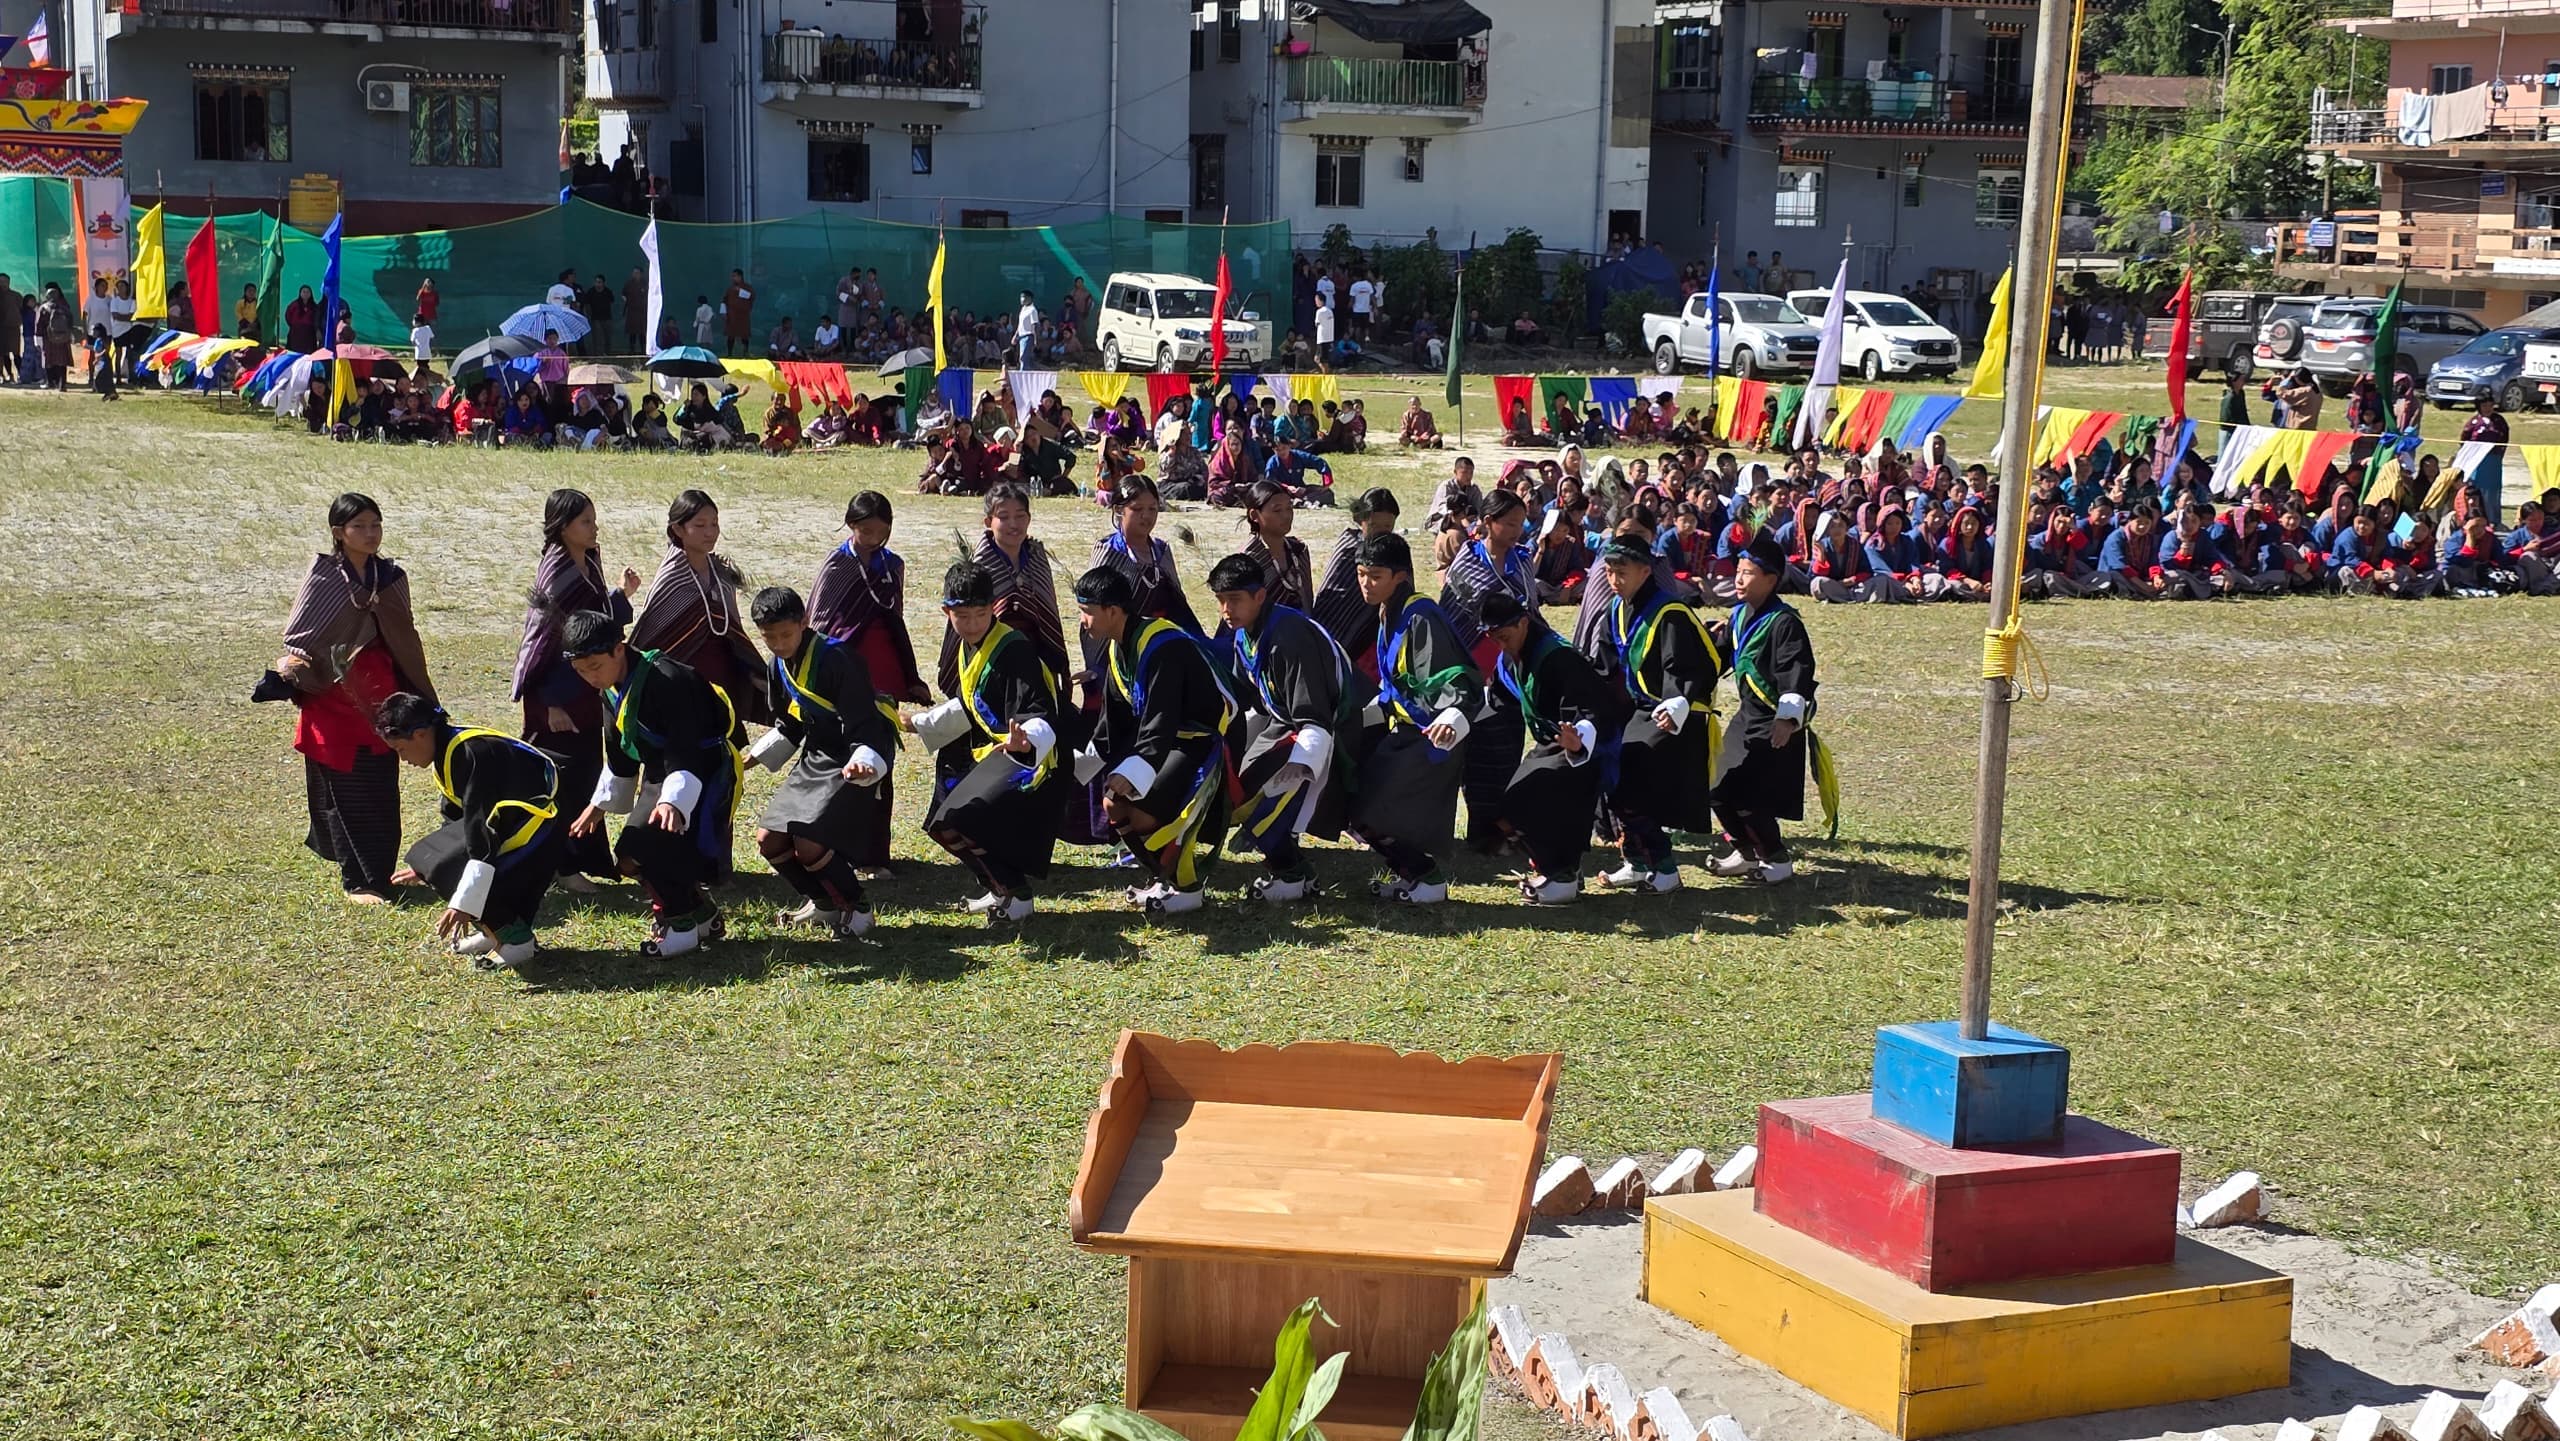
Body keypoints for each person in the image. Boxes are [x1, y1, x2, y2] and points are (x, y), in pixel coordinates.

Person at [272, 493, 438, 902]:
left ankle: (377, 873)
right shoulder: (325, 577)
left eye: (375, 525)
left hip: (382, 702)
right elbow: (302, 635)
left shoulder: (390, 578)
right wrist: (292, 666)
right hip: (335, 704)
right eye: (359, 526)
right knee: (347, 796)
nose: (370, 534)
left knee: (382, 793)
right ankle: (358, 881)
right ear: (338, 533)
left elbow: (404, 636)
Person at [561, 610, 748, 957]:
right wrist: (598, 805)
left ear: (619, 648)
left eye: (595, 666)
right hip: (663, 774)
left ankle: (681, 927)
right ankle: (702, 915)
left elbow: (686, 746)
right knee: (632, 858)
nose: (590, 677)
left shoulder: (668, 679)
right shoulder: (612, 688)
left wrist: (672, 801)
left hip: (703, 772)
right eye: (581, 671)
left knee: (654, 850)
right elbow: (620, 752)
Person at [911, 562, 1070, 922]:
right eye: (962, 616)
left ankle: (1017, 895)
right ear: (946, 612)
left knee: (960, 820)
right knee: (942, 824)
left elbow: (1039, 708)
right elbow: (971, 703)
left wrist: (1026, 740)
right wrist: (920, 724)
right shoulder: (969, 644)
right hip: (989, 748)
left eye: (980, 615)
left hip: (1027, 757)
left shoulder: (1013, 648)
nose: (971, 624)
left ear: (994, 607)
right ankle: (997, 887)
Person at [1076, 566, 1233, 914]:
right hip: (1165, 742)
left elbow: (1162, 718)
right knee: (1113, 804)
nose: (1083, 621)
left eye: (1088, 611)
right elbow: (1113, 721)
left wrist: (1134, 772)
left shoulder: (1163, 644)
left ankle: (1187, 886)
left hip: (1197, 743)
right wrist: (1077, 767)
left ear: (1113, 611)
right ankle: (1164, 879)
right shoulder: (1119, 649)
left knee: (1139, 813)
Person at [746, 586, 897, 939]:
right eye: (770, 637)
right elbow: (790, 723)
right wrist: (751, 757)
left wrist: (863, 763)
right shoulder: (776, 665)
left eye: (786, 634)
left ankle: (856, 906)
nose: (780, 644)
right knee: (769, 840)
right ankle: (824, 903)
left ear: (804, 623)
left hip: (852, 755)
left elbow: (863, 722)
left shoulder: (838, 658)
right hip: (817, 754)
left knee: (809, 841)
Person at [1212, 552, 1364, 904]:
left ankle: (1291, 876)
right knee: (1241, 789)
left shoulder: (1287, 636)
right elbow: (1247, 691)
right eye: (1221, 600)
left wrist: (1301, 762)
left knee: (1262, 796)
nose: (1226, 610)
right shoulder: (1248, 634)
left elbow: (1313, 711)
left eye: (1234, 599)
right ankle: (1296, 872)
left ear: (1260, 596)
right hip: (1287, 724)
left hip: (1327, 730)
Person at [513, 489, 643, 888]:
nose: (594, 526)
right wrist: (547, 701)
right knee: (562, 780)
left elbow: (594, 620)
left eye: (593, 518)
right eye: (585, 521)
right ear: (563, 527)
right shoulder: (557, 573)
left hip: (588, 687)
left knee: (586, 770)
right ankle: (561, 866)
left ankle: (580, 860)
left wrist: (621, 596)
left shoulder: (586, 561)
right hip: (558, 695)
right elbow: (541, 642)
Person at [378, 693, 562, 972]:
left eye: (401, 750)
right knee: (429, 859)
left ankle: (517, 942)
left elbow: (480, 830)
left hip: (537, 829)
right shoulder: (447, 749)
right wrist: (427, 866)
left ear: (420, 735)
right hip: (508, 823)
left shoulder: (471, 753)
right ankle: (494, 934)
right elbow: (454, 818)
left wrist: (464, 900)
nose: (402, 760)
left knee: (448, 867)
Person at [1349, 533, 1482, 904]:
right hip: (1406, 730)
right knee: (1357, 806)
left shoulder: (1420, 615)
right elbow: (1400, 681)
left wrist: (1454, 713)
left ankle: (1427, 879)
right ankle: (1416, 877)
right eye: (1361, 573)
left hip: (1433, 735)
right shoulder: (1389, 611)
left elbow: (1456, 679)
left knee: (1372, 812)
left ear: (1401, 576)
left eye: (1375, 575)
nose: (1365, 583)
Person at [1594, 536, 1726, 891]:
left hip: (1673, 712)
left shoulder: (1670, 613)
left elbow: (1690, 669)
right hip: (1636, 710)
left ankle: (1664, 867)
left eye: (1621, 572)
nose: (1614, 580)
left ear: (1645, 570)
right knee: (1605, 761)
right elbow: (1605, 669)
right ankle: (1636, 862)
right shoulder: (1616, 611)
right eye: (1608, 572)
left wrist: (1676, 703)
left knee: (1630, 777)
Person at [1483, 591, 1625, 905]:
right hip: (1553, 744)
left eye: (1505, 637)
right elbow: (1499, 695)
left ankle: (1562, 875)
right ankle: (1557, 871)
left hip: (1589, 748)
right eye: (1496, 639)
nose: (1502, 645)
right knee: (1508, 807)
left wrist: (1579, 740)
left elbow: (1594, 709)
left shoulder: (1559, 656)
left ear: (1522, 623)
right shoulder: (1511, 655)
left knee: (1534, 796)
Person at [1709, 535, 1826, 885]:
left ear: (1771, 580)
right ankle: (1745, 852)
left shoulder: (1785, 622)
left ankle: (1775, 859)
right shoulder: (1739, 615)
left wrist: (1788, 719)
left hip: (1774, 720)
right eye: (1738, 572)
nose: (1739, 579)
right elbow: (1720, 654)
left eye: (1748, 573)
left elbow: (1797, 672)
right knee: (1716, 784)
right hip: (1747, 716)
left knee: (1748, 794)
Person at [1441, 488, 1539, 852]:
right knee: (1479, 756)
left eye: (1521, 523)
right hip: (1471, 669)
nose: (1516, 531)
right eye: (1509, 523)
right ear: (1487, 523)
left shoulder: (1522, 560)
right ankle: (1483, 831)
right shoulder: (1466, 564)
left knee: (1509, 748)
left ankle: (1503, 826)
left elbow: (1530, 610)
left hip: (1510, 671)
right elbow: (1452, 620)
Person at [628, 490, 770, 724]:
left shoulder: (720, 574)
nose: (710, 532)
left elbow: (732, 630)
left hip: (723, 678)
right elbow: (653, 638)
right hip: (683, 684)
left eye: (714, 524)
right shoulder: (672, 578)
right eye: (700, 525)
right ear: (678, 529)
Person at [1313, 487, 1400, 666]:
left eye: (1387, 527)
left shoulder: (1392, 553)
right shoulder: (1349, 549)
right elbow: (1330, 597)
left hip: (1369, 647)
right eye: (1374, 526)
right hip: (1329, 639)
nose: (1381, 533)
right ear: (1360, 520)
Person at [1241, 480, 1315, 613]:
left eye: (1289, 508)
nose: (1286, 516)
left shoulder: (1299, 550)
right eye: (1277, 510)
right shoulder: (1249, 560)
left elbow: (1307, 600)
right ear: (1254, 515)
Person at [721, 268, 755, 356]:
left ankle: (745, 352)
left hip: (743, 316)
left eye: (735, 276)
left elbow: (751, 297)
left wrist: (739, 290)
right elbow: (724, 300)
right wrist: (723, 312)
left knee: (744, 335)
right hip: (732, 315)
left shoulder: (747, 287)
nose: (733, 278)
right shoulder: (730, 289)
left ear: (740, 277)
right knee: (730, 335)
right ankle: (729, 354)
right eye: (732, 276)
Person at [1014, 289, 1040, 371]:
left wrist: (1036, 339)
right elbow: (1020, 324)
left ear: (1030, 298)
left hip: (1028, 336)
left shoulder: (1032, 310)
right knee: (1023, 357)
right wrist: (1015, 335)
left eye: (1024, 297)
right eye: (1021, 297)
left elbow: (1034, 325)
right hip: (1021, 336)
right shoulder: (1023, 309)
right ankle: (1032, 373)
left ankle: (1023, 374)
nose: (1021, 299)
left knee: (1024, 357)